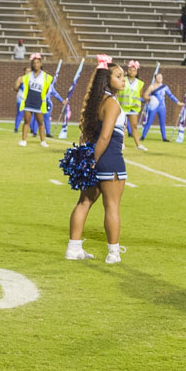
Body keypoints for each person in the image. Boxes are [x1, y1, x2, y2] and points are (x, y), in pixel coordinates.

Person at [65, 56, 127, 264]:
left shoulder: (95, 103)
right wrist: (94, 161)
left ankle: (73, 249)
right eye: (119, 76)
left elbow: (90, 136)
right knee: (112, 206)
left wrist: (90, 161)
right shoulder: (112, 104)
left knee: (84, 202)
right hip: (109, 159)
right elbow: (105, 137)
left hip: (95, 157)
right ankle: (113, 253)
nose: (123, 79)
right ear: (107, 80)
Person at [14, 53, 52, 147]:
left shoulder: (45, 76)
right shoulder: (28, 76)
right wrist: (17, 83)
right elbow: (17, 86)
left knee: (40, 122)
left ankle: (43, 141)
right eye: (34, 63)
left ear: (41, 64)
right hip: (29, 100)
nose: (36, 64)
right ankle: (23, 140)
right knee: (27, 121)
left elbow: (47, 89)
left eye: (38, 62)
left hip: (38, 101)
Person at [140, 72, 180, 142]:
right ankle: (143, 136)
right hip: (153, 106)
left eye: (161, 77)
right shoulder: (152, 86)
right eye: (158, 77)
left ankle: (164, 137)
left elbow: (171, 95)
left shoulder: (165, 87)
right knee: (149, 121)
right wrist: (150, 98)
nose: (160, 79)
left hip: (162, 107)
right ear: (155, 78)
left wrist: (178, 102)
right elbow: (145, 95)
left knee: (162, 122)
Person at [116, 60, 147, 151]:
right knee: (123, 125)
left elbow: (139, 95)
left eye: (134, 70)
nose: (131, 72)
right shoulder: (123, 80)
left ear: (136, 72)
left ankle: (138, 144)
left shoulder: (140, 83)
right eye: (130, 70)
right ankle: (122, 143)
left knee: (134, 126)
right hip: (123, 106)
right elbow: (118, 92)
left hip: (133, 108)